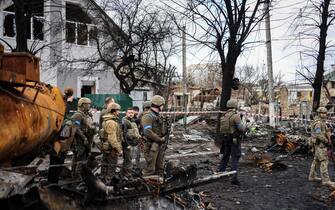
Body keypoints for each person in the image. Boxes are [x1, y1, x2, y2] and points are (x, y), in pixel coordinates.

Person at [218, 99, 246, 185]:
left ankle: (220, 174)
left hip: (226, 139)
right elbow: (241, 128)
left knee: (225, 156)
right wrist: (244, 122)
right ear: (235, 106)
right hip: (234, 139)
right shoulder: (235, 116)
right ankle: (234, 177)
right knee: (235, 157)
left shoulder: (224, 115)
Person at [308, 107, 335, 187]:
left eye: (325, 113)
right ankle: (326, 180)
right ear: (319, 113)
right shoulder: (318, 123)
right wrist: (327, 142)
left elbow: (324, 132)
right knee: (324, 161)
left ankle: (312, 176)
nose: (324, 114)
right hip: (320, 145)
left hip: (318, 145)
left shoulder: (321, 122)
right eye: (323, 113)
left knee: (316, 160)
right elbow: (319, 134)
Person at [141, 95, 167, 176]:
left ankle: (157, 186)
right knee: (150, 169)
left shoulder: (158, 115)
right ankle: (144, 185)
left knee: (159, 167)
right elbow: (147, 132)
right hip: (150, 146)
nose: (163, 107)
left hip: (158, 145)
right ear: (159, 105)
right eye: (162, 105)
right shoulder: (147, 116)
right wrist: (160, 139)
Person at [71, 97, 96, 176]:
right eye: (88, 104)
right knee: (80, 158)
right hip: (79, 141)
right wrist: (83, 138)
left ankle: (77, 174)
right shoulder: (78, 115)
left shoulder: (87, 115)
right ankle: (78, 175)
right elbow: (76, 128)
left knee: (83, 157)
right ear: (82, 105)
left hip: (87, 139)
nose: (89, 106)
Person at [100, 102, 123, 183]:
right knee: (111, 167)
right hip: (111, 149)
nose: (119, 112)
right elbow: (112, 139)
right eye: (117, 110)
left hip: (106, 148)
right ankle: (108, 184)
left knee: (105, 165)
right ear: (113, 111)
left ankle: (102, 182)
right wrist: (119, 149)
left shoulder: (106, 120)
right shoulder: (111, 122)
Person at [122, 107, 141, 176]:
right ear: (126, 113)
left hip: (133, 144)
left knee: (130, 159)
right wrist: (127, 145)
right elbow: (124, 134)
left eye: (132, 113)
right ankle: (127, 174)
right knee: (128, 160)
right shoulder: (125, 122)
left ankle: (125, 173)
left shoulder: (133, 121)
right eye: (129, 113)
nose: (131, 114)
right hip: (128, 145)